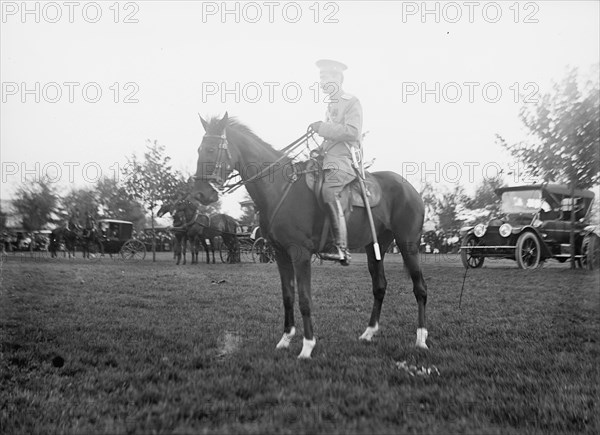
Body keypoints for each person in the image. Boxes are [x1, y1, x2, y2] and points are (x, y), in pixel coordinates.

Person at [308, 59, 363, 265]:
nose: (323, 81)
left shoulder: (351, 101)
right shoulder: (331, 105)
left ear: (339, 78)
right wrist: (318, 150)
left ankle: (340, 247)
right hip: (328, 158)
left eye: (327, 77)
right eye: (321, 77)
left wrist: (322, 128)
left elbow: (352, 132)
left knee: (329, 190)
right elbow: (330, 138)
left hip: (344, 160)